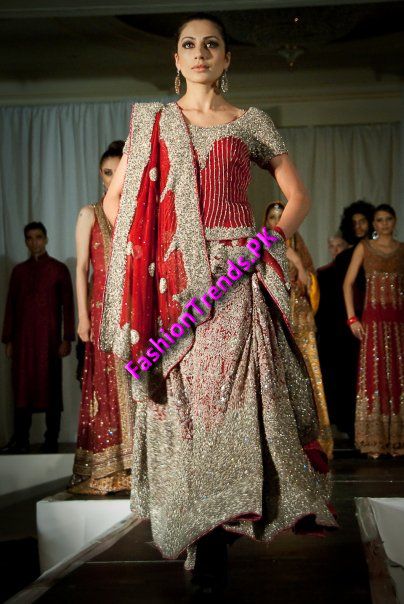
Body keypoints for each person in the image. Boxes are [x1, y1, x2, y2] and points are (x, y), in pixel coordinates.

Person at [99, 13, 337, 596]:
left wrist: (259, 247)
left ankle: (219, 535)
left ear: (228, 59)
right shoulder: (154, 122)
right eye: (189, 45)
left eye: (212, 45)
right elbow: (114, 205)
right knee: (184, 412)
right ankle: (203, 535)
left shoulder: (249, 122)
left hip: (235, 281)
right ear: (176, 60)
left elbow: (297, 197)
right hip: (177, 286)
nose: (200, 53)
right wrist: (159, 255)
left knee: (234, 410)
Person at [68, 141, 133, 495]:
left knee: (138, 383)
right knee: (105, 384)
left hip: (135, 312)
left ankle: (138, 464)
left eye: (118, 172)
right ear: (100, 174)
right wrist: (82, 317)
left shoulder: (137, 213)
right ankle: (109, 465)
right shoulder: (89, 214)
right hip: (101, 312)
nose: (113, 179)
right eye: (108, 172)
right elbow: (81, 269)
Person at [264, 202, 334, 459]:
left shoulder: (297, 247)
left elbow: (309, 283)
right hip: (274, 316)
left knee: (308, 371)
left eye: (281, 217)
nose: (277, 222)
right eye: (272, 218)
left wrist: (297, 264)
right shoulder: (261, 246)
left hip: (300, 318)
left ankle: (315, 439)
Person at [1, 222, 75, 454]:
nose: (35, 242)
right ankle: (21, 440)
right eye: (30, 238)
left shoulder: (58, 270)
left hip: (49, 342)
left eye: (39, 237)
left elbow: (68, 307)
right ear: (26, 241)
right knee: (22, 387)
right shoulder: (19, 272)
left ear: (46, 239)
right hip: (23, 343)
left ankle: (51, 440)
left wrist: (66, 338)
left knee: (50, 387)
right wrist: (9, 339)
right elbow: (11, 307)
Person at [343, 204, 404, 458]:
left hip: (399, 323)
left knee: (399, 376)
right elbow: (347, 284)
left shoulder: (402, 250)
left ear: (395, 221)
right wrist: (352, 319)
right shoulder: (364, 247)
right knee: (375, 376)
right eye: (379, 220)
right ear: (374, 223)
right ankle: (374, 441)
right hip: (373, 322)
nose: (384, 223)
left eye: (388, 219)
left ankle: (398, 441)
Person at [333, 200, 375, 442]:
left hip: (378, 317)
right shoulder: (344, 259)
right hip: (353, 321)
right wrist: (351, 318)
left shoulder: (380, 251)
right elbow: (343, 289)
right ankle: (352, 425)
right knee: (351, 372)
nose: (359, 226)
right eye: (354, 222)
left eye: (363, 221)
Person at [315, 234, 349, 429]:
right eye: (332, 246)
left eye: (339, 245)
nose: (336, 250)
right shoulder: (323, 272)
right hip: (329, 330)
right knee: (331, 375)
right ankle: (334, 418)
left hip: (348, 328)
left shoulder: (353, 271)